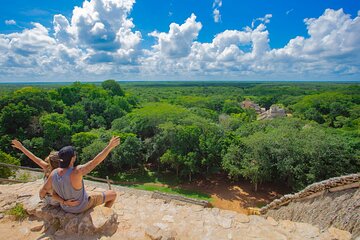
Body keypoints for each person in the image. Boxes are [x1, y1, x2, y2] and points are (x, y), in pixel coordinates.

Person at [39, 136, 120, 213]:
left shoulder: (54, 173)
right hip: (81, 206)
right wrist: (110, 146)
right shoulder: (77, 172)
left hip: (65, 207)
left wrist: (64, 202)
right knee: (112, 194)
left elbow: (46, 192)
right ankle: (104, 215)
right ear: (73, 158)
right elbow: (94, 162)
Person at [11, 140, 79, 207]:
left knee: (43, 189)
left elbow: (34, 157)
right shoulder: (64, 172)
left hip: (50, 199)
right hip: (59, 201)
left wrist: (21, 147)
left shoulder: (47, 168)